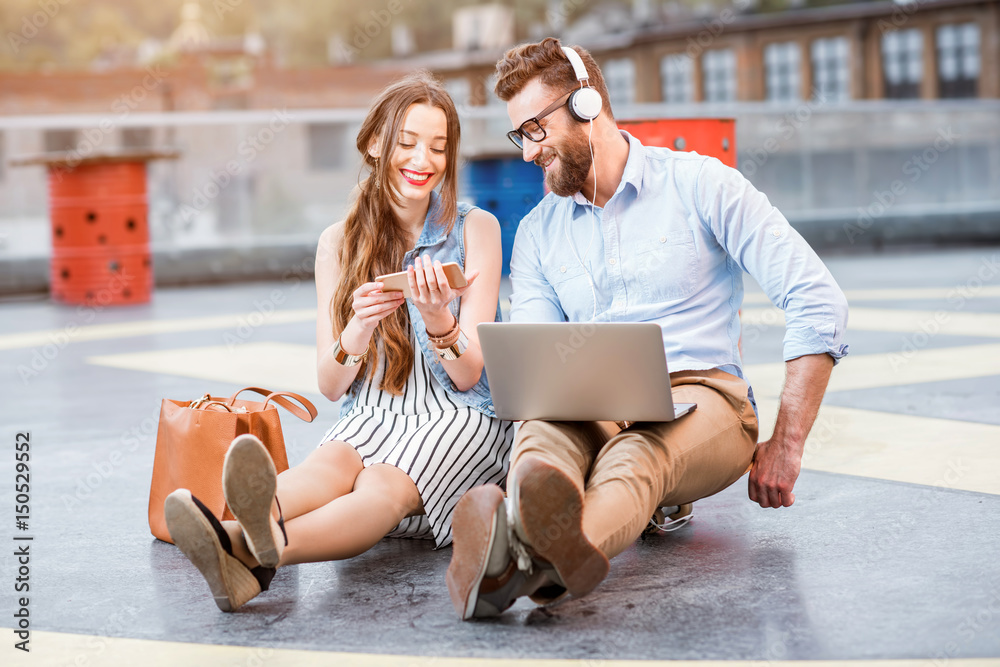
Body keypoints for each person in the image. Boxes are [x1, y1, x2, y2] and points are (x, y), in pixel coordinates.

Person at [445, 38, 849, 619]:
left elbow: (816, 298)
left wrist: (786, 442)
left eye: (536, 129)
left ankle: (516, 556)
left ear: (587, 105)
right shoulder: (536, 232)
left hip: (704, 398)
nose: (528, 152)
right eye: (520, 135)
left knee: (637, 456)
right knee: (540, 432)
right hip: (590, 398)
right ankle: (531, 562)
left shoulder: (703, 185)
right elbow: (536, 354)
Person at [164, 71, 514, 612]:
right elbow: (331, 385)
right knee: (328, 468)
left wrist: (439, 318)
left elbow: (470, 374)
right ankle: (245, 529)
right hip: (374, 411)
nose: (424, 160)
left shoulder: (477, 230)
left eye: (439, 147)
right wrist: (358, 327)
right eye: (408, 142)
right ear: (375, 144)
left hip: (462, 417)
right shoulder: (337, 242)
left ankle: (248, 548)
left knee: (381, 486)